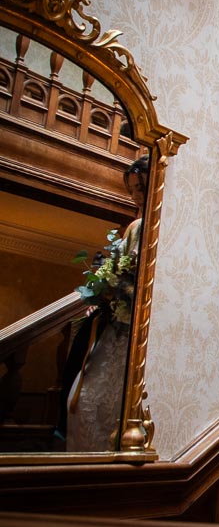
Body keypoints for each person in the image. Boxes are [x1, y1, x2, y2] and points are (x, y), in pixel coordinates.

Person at [61, 154, 150, 450]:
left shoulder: (147, 227)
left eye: (141, 188)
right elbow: (120, 266)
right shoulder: (135, 227)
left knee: (102, 402)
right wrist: (104, 287)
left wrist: (117, 287)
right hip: (117, 323)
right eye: (132, 189)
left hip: (134, 328)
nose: (136, 196)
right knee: (87, 399)